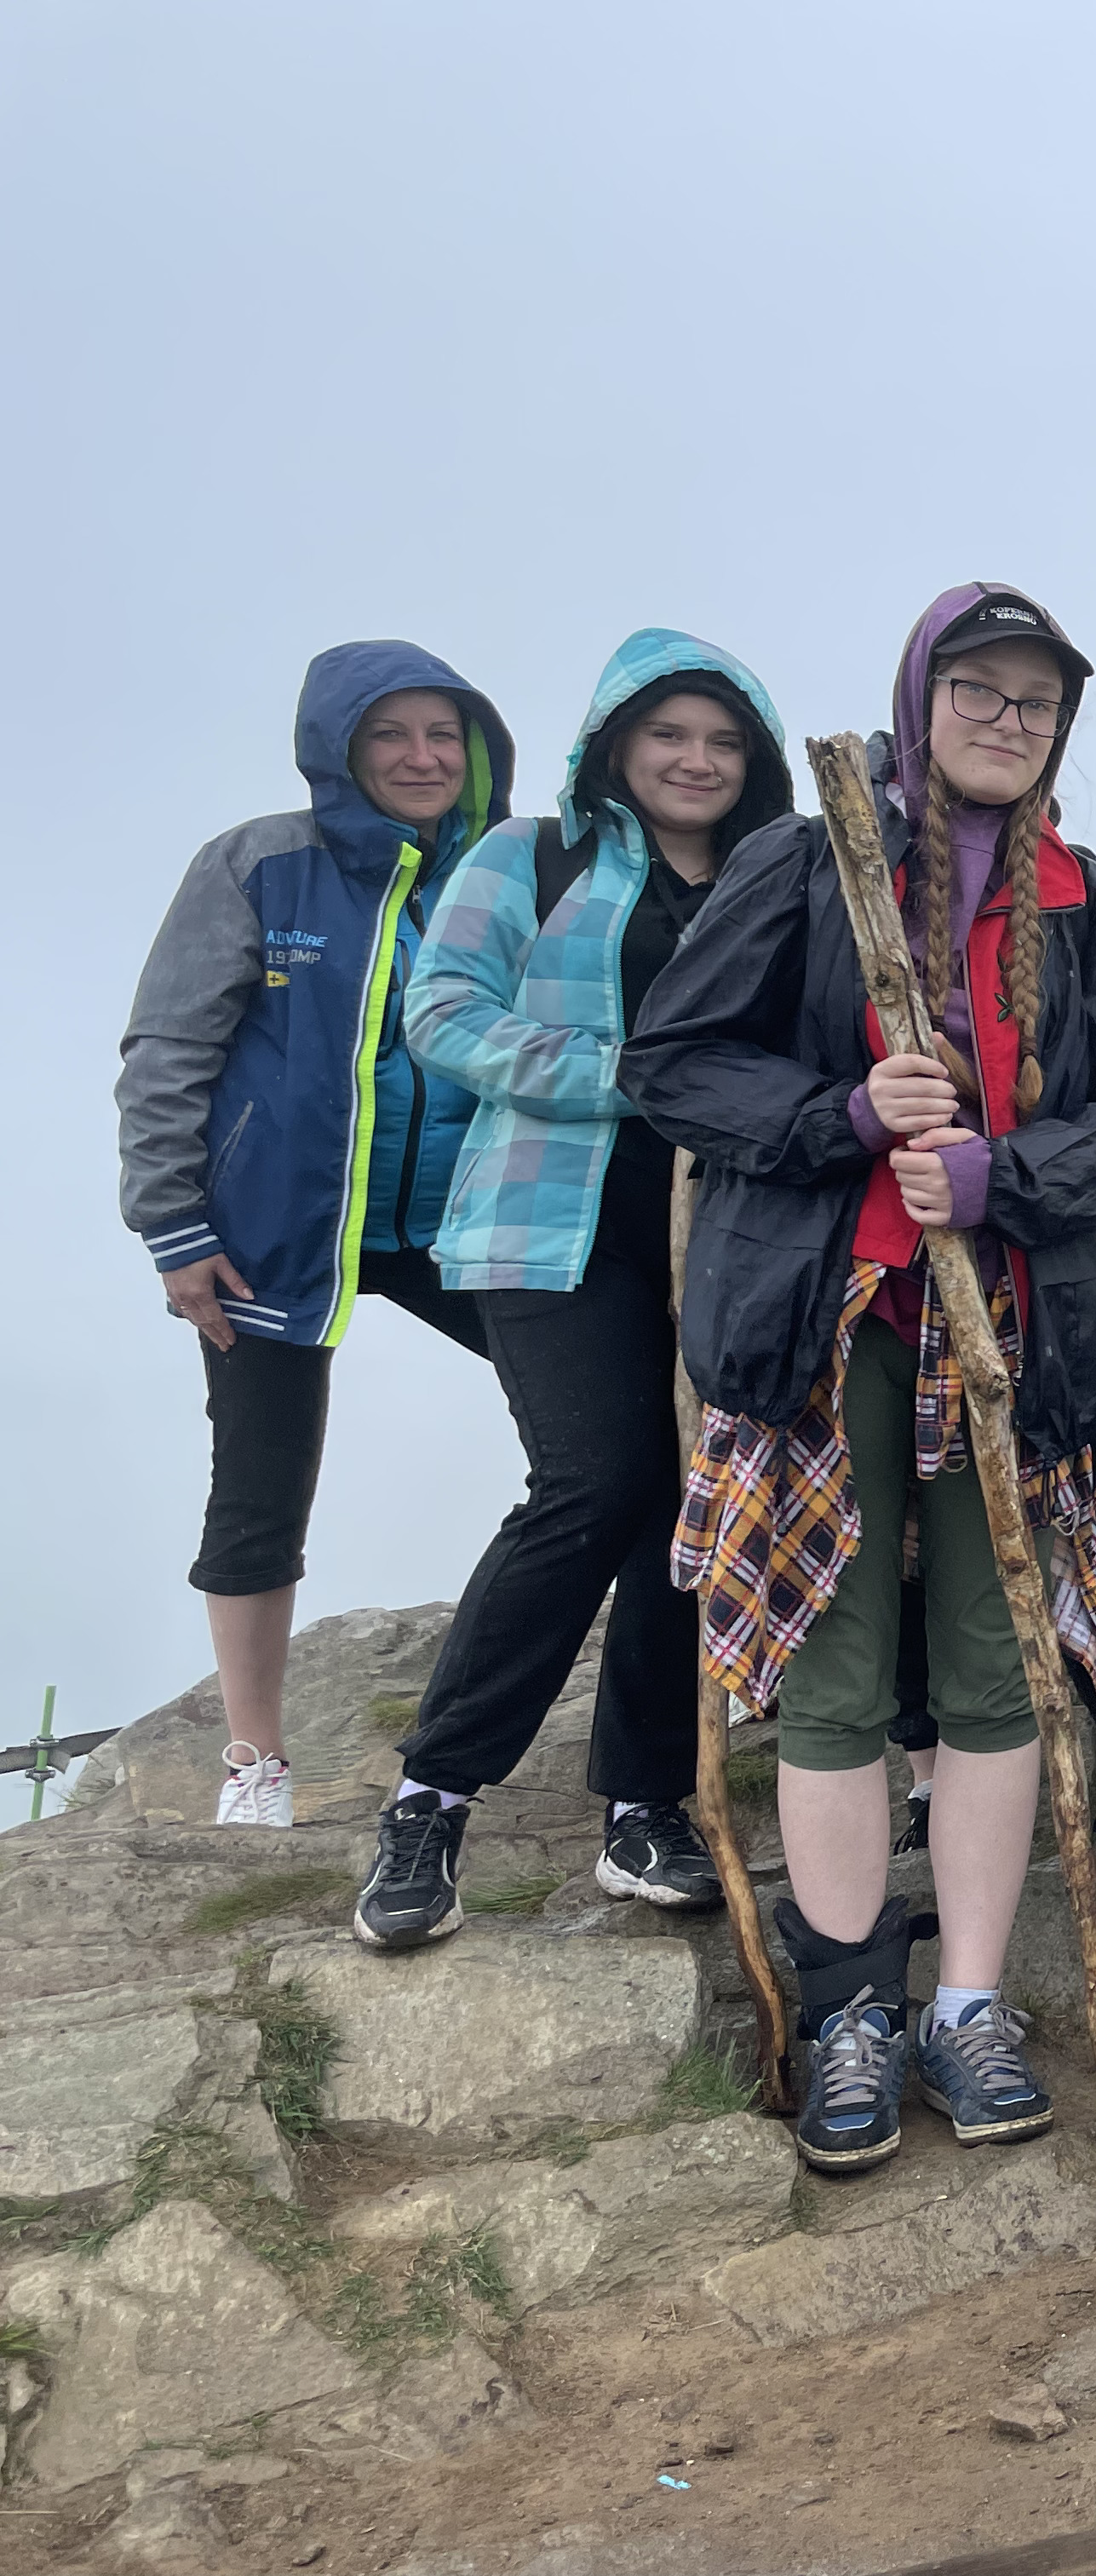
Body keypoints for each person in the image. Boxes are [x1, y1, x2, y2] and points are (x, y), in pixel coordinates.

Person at [622, 583, 1096, 2172]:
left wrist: (1003, 1175)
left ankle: (967, 2003)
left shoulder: (1089, 902)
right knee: (832, 1662)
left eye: (1038, 702)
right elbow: (671, 1064)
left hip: (1006, 1327)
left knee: (1000, 1666)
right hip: (833, 1325)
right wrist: (850, 1118)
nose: (1010, 722)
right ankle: (848, 2007)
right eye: (982, 690)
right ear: (919, 693)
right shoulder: (813, 861)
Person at [353, 631, 793, 1948]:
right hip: (545, 1231)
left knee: (683, 1502)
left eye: (723, 741)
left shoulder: (777, 876)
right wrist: (628, 1072)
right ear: (615, 744)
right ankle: (432, 1796)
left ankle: (645, 1806)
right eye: (669, 736)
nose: (696, 761)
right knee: (595, 1484)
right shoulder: (531, 857)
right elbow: (442, 1011)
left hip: (723, 1238)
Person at [118, 642, 513, 1829]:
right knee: (258, 1488)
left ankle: (516, 1698)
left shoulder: (509, 873)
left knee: (609, 1439)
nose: (422, 757)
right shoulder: (255, 865)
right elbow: (168, 1050)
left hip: (460, 1221)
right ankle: (255, 1764)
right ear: (338, 749)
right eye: (390, 735)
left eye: (444, 735)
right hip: (275, 1231)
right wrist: (175, 1227)